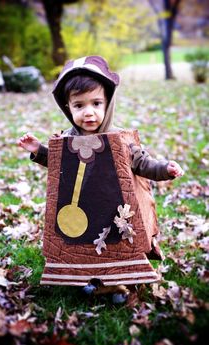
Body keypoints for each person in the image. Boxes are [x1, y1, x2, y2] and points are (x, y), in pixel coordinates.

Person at [18, 56, 184, 303]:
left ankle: (117, 284)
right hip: (84, 208)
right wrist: (38, 150)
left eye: (96, 103)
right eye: (79, 105)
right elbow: (57, 163)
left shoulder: (119, 138)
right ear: (68, 108)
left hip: (116, 207)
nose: (88, 112)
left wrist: (165, 168)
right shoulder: (66, 139)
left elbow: (143, 164)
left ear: (107, 103)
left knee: (115, 241)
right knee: (84, 242)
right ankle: (89, 276)